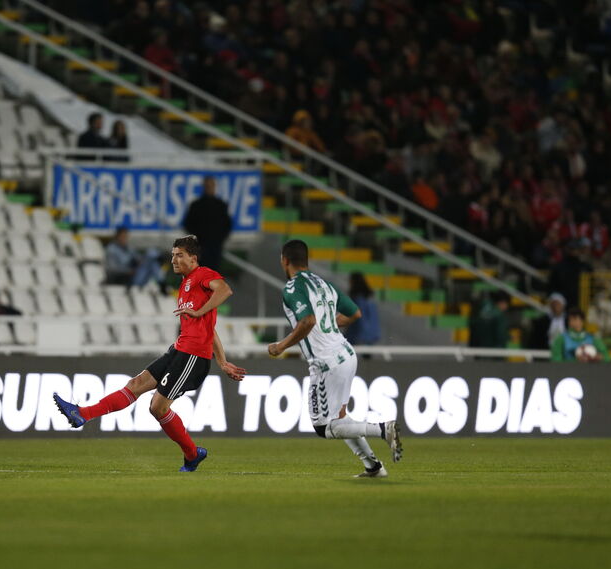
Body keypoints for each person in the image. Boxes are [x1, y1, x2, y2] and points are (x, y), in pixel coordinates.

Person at [52, 235, 247, 472]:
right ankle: (81, 414)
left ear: (193, 258)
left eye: (179, 255)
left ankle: (192, 454)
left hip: (193, 357)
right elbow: (209, 328)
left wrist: (200, 311)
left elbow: (225, 290)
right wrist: (223, 361)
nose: (173, 259)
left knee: (157, 407)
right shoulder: (185, 283)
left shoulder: (203, 274)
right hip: (179, 350)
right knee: (136, 384)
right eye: (173, 254)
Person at [267, 240, 401, 477]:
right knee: (340, 418)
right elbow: (354, 313)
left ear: (284, 260)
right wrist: (325, 321)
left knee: (323, 426)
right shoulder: (325, 284)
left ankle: (382, 429)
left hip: (326, 363)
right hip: (346, 354)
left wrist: (281, 346)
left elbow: (307, 321)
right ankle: (373, 467)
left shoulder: (292, 288)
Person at [183, 176, 232, 271]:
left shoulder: (221, 205)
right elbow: (188, 224)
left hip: (215, 248)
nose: (209, 188)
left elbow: (227, 225)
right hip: (200, 248)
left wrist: (219, 240)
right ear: (204, 186)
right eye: (207, 186)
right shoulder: (196, 205)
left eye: (211, 185)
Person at [344, 272, 380, 345]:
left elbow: (360, 319)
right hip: (372, 335)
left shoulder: (358, 299)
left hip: (360, 336)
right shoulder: (369, 298)